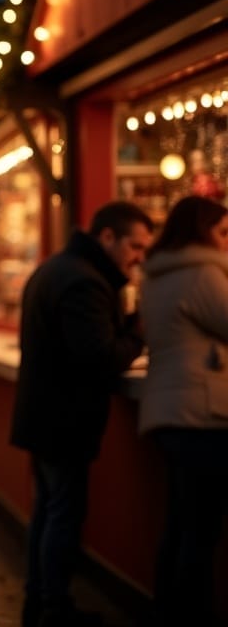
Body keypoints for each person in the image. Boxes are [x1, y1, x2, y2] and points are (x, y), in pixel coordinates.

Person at [11, 200, 153, 627]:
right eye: (135, 246)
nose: (140, 257)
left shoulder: (60, 268)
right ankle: (54, 607)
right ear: (107, 237)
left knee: (47, 510)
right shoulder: (85, 283)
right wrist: (137, 333)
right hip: (65, 420)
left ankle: (38, 601)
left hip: (44, 415)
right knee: (62, 513)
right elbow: (99, 357)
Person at [138, 195, 228, 627]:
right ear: (201, 232)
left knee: (179, 523)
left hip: (167, 411)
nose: (227, 242)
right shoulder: (203, 274)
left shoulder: (158, 274)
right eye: (223, 232)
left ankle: (167, 612)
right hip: (199, 412)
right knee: (201, 530)